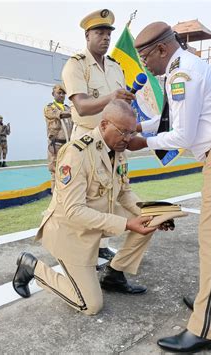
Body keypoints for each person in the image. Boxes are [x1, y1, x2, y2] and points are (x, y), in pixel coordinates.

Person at [130, 22, 211, 353]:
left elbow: (182, 137)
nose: (144, 64)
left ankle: (207, 328)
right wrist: (136, 125)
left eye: (145, 56)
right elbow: (172, 122)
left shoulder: (181, 75)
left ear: (162, 49)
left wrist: (140, 141)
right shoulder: (184, 67)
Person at [13, 100, 160, 316]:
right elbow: (74, 211)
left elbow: (124, 192)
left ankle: (113, 274)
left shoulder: (118, 148)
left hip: (98, 219)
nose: (128, 139)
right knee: (90, 305)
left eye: (131, 132)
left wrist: (150, 213)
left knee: (149, 220)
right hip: (71, 232)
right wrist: (127, 223)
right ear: (103, 125)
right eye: (123, 132)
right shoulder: (77, 153)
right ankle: (32, 267)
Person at [61, 8, 135, 260]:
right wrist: (111, 97)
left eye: (108, 34)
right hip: (87, 138)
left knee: (110, 193)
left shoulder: (115, 67)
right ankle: (83, 249)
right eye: (99, 33)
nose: (105, 38)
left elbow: (120, 105)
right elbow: (81, 105)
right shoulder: (76, 65)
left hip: (113, 140)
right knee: (87, 197)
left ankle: (101, 247)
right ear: (87, 35)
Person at [44, 84, 73, 190]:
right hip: (56, 144)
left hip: (68, 144)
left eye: (63, 93)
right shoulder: (49, 108)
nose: (61, 95)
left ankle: (64, 194)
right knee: (55, 171)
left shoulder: (68, 108)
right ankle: (54, 197)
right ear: (53, 94)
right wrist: (74, 112)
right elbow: (60, 115)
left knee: (66, 169)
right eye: (59, 93)